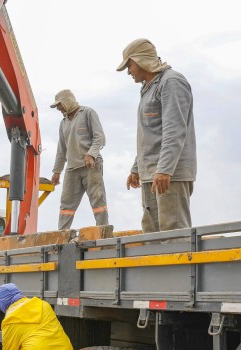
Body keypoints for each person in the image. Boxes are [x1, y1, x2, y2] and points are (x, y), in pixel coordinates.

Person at [117, 38, 196, 233]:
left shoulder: (171, 83)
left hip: (170, 175)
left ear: (140, 60)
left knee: (173, 234)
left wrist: (165, 169)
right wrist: (137, 168)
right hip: (151, 174)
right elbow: (148, 134)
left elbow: (174, 130)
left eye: (130, 65)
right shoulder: (148, 89)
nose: (129, 71)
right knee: (151, 235)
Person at [50, 89, 109, 230]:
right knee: (66, 205)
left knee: (98, 201)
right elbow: (61, 149)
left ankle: (102, 231)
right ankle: (62, 235)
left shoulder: (88, 113)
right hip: (72, 169)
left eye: (59, 105)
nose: (58, 108)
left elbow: (99, 137)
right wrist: (57, 171)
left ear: (68, 101)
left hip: (91, 166)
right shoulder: (63, 123)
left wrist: (91, 154)